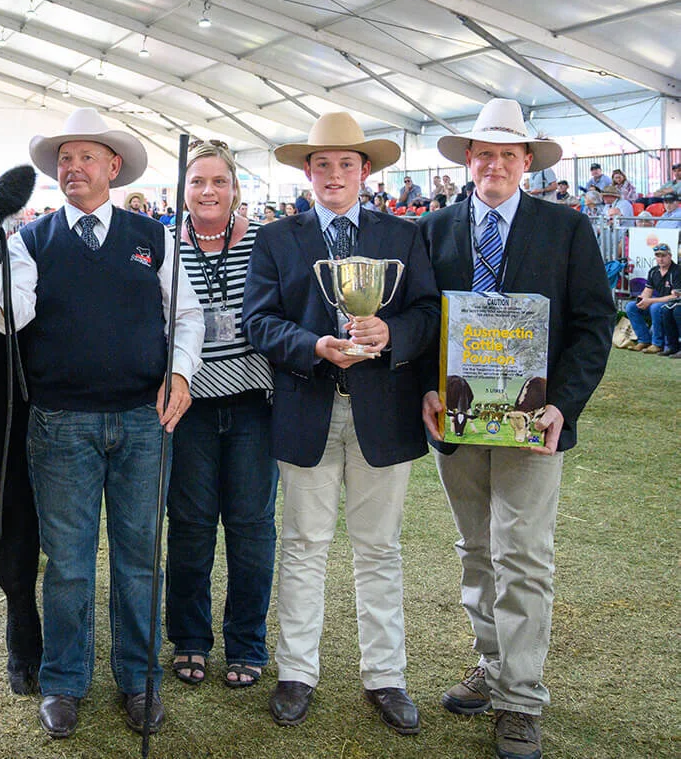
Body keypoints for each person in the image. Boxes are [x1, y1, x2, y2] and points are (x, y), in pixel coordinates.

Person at [0, 108, 204, 740]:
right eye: (64, 159)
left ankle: (139, 679)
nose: (73, 168)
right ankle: (64, 681)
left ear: (113, 167)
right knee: (68, 563)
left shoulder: (154, 237)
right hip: (61, 425)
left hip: (144, 421)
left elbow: (186, 316)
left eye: (86, 157)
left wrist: (180, 374)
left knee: (139, 560)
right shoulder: (30, 241)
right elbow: (11, 315)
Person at [419, 99, 612, 759]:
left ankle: (521, 699)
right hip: (458, 420)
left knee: (522, 553)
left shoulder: (566, 227)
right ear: (468, 160)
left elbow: (593, 322)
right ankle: (492, 663)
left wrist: (564, 403)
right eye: (484, 153)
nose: (495, 164)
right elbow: (420, 320)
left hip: (535, 422)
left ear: (526, 161)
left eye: (508, 154)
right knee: (475, 548)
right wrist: (424, 388)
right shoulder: (434, 229)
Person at [241, 112, 440, 736]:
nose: (334, 175)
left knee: (379, 548)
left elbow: (428, 312)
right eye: (322, 165)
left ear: (365, 171)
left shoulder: (403, 235)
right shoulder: (277, 238)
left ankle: (386, 677)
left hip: (384, 414)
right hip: (308, 407)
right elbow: (259, 321)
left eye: (345, 164)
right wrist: (314, 346)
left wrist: (390, 332)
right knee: (303, 545)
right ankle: (297, 672)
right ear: (307, 172)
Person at [166, 142, 276, 692]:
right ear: (183, 190)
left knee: (251, 528)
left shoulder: (264, 242)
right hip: (188, 408)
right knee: (189, 526)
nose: (208, 191)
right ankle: (189, 638)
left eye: (219, 181)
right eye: (197, 182)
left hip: (253, 404)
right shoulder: (164, 245)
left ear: (235, 188)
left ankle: (247, 642)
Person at [621, 243, 679, 356]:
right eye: (658, 256)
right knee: (631, 307)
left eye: (663, 256)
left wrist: (650, 301)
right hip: (658, 302)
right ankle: (644, 340)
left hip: (672, 304)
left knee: (655, 307)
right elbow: (648, 291)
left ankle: (657, 344)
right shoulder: (653, 271)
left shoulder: (677, 271)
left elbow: (675, 296)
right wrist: (642, 299)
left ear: (670, 256)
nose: (660, 259)